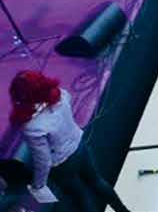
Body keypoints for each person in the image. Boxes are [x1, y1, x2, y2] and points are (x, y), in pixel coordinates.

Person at [10, 71, 132, 212]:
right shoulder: (61, 95)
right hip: (79, 148)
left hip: (62, 165)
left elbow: (43, 160)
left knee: (80, 198)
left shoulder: (31, 126)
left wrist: (39, 184)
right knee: (97, 182)